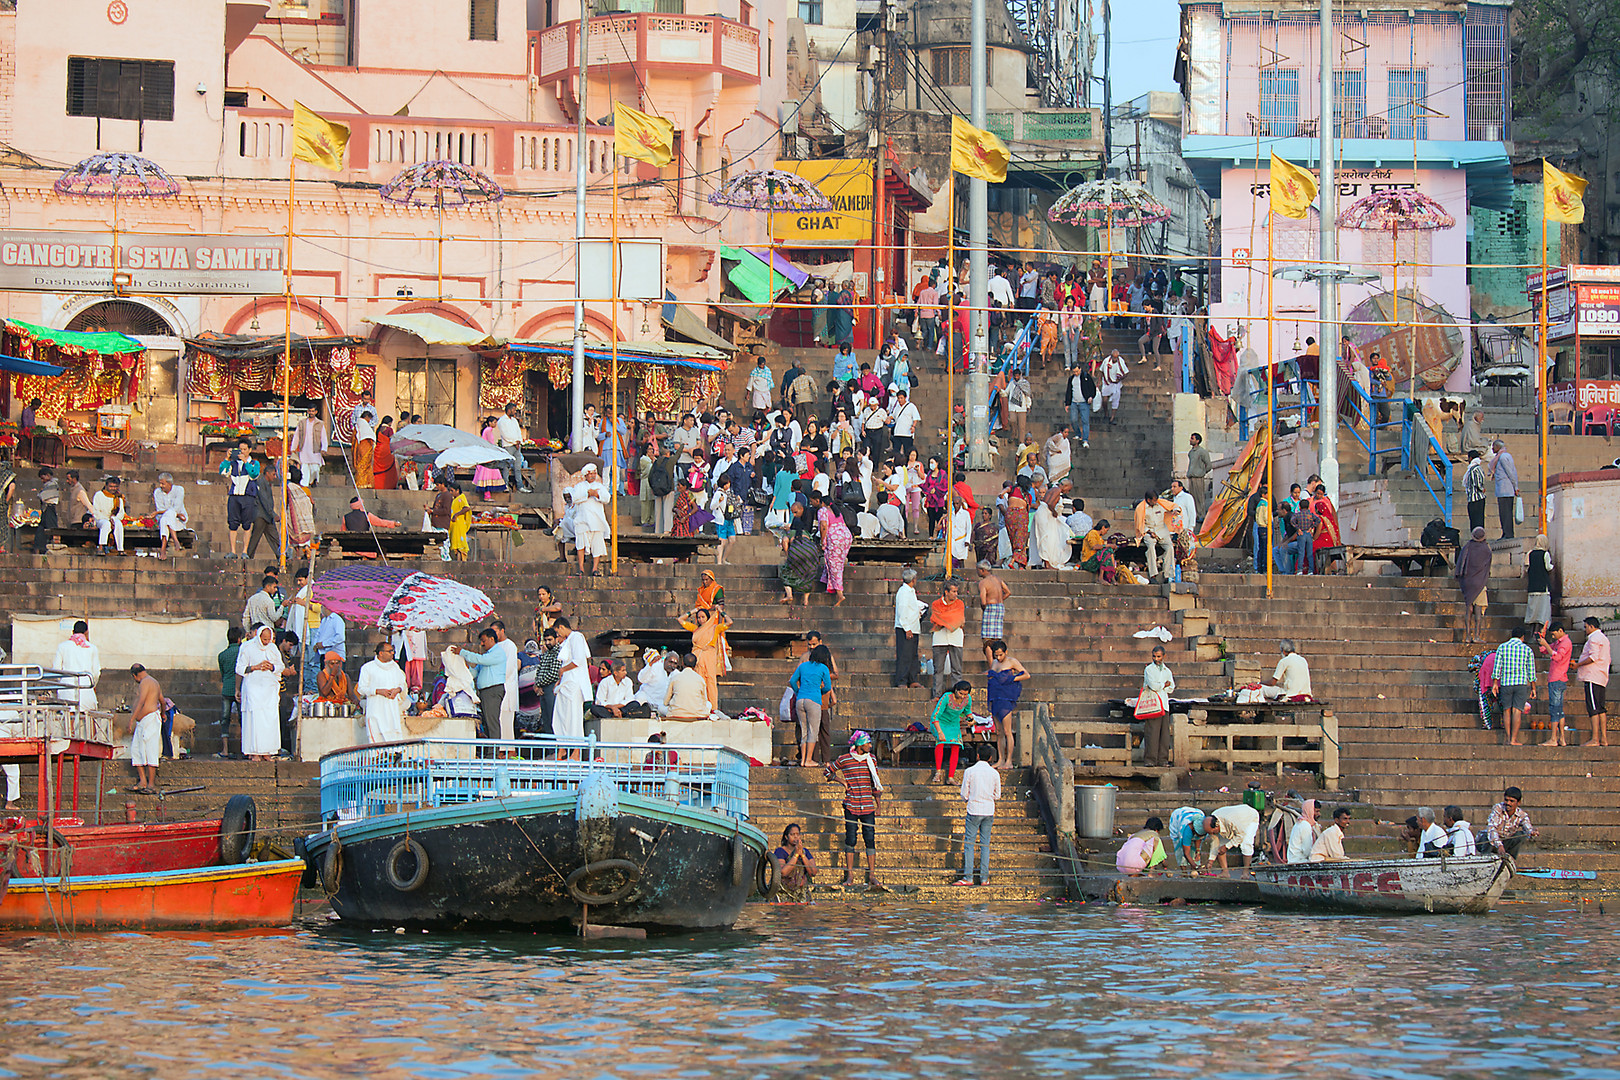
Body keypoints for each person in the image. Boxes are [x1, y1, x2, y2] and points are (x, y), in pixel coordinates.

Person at [827, 730, 883, 888]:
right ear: (860, 745)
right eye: (868, 743)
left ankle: (872, 874)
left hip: (867, 805)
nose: (870, 746)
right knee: (851, 839)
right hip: (851, 804)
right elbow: (827, 772)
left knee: (870, 839)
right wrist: (842, 782)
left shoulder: (871, 759)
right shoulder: (844, 759)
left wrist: (878, 805)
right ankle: (850, 874)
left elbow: (875, 782)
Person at [954, 742, 1002, 886]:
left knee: (969, 844)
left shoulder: (970, 771)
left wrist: (969, 798)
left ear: (978, 756)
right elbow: (997, 795)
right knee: (985, 844)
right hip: (988, 810)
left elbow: (964, 793)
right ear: (991, 758)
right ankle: (984, 878)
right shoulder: (994, 773)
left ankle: (968, 877)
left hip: (973, 809)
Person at [235, 625, 283, 762]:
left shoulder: (273, 648)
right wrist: (255, 667)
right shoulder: (247, 647)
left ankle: (267, 751)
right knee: (255, 720)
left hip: (269, 688)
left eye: (269, 639)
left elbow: (281, 666)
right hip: (253, 687)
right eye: (264, 639)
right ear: (259, 636)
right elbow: (239, 668)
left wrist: (271, 667)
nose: (267, 642)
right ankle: (254, 752)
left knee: (270, 719)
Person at [454, 629, 509, 739]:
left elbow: (480, 659)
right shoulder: (487, 655)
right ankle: (489, 751)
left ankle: (493, 753)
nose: (482, 644)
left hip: (493, 690)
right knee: (487, 723)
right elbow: (474, 672)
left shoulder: (497, 652)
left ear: (491, 639)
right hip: (485, 692)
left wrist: (462, 652)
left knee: (492, 723)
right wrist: (464, 666)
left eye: (483, 641)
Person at [679, 605, 730, 715]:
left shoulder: (715, 628)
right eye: (699, 617)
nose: (701, 619)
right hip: (697, 658)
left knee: (710, 682)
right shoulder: (695, 629)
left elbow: (730, 622)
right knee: (697, 681)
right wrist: (694, 610)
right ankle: (697, 707)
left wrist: (721, 611)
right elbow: (680, 620)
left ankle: (713, 709)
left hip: (709, 658)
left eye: (703, 617)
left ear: (708, 618)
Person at [550, 616, 592, 747]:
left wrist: (563, 669)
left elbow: (578, 660)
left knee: (574, 719)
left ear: (561, 627)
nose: (558, 635)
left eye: (557, 632)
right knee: (560, 717)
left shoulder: (576, 637)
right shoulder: (568, 641)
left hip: (574, 684)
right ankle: (562, 748)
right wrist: (560, 679)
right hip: (566, 683)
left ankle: (576, 751)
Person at [985, 640, 1028, 769]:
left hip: (1006, 698)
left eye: (1000, 655)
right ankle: (1000, 759)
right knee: (998, 732)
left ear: (1006, 652)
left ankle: (1009, 761)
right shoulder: (994, 663)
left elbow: (1026, 675)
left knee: (1007, 731)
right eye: (996, 655)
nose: (998, 657)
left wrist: (1011, 679)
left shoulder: (1012, 661)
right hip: (995, 698)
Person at [1492, 626, 1536, 747]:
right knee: (1517, 711)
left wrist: (1495, 683)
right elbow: (1531, 671)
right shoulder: (1527, 650)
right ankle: (1514, 739)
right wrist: (1533, 687)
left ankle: (1507, 738)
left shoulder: (1502, 647)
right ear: (1522, 637)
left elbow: (1497, 668)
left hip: (1506, 683)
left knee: (1506, 711)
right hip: (1521, 683)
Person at [357, 640, 408, 745]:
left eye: (393, 651)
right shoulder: (368, 668)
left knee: (394, 737)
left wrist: (397, 690)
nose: (393, 653)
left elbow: (402, 683)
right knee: (376, 737)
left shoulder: (395, 667)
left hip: (392, 710)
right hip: (376, 709)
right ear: (381, 653)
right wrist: (378, 691)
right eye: (390, 651)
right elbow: (361, 689)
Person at [789, 647, 833, 767]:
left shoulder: (803, 666)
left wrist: (798, 692)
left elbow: (792, 681)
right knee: (812, 731)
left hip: (800, 700)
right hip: (813, 701)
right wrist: (819, 692)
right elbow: (828, 687)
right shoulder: (824, 668)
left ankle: (803, 760)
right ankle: (809, 760)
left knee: (804, 731)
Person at [926, 679, 973, 784]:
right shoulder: (947, 697)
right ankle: (938, 772)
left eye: (965, 694)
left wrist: (971, 719)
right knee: (940, 743)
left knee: (956, 745)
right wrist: (939, 732)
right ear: (956, 690)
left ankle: (951, 777)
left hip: (954, 724)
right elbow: (935, 716)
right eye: (961, 693)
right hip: (940, 723)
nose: (962, 696)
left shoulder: (967, 699)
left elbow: (967, 711)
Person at [127, 664, 165, 793]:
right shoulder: (155, 682)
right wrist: (164, 713)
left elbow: (141, 701)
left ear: (134, 675)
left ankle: (151, 784)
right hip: (144, 721)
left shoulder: (145, 682)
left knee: (150, 750)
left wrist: (132, 719)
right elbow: (162, 701)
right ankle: (143, 781)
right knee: (136, 750)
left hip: (150, 720)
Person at [219, 439, 259, 557]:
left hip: (248, 496)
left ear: (250, 450)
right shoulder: (233, 463)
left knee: (247, 524)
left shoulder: (254, 463)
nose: (242, 451)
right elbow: (223, 472)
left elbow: (254, 475)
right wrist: (227, 458)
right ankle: (233, 551)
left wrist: (245, 461)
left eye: (245, 449)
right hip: (234, 496)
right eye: (240, 449)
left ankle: (245, 551)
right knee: (232, 524)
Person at [51, 620, 101, 710]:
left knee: (69, 717)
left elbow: (56, 669)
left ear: (72, 632)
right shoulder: (92, 648)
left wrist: (62, 682)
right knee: (89, 717)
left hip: (67, 688)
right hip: (86, 688)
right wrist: (92, 684)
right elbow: (96, 673)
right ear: (86, 632)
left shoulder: (62, 646)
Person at [888, 566, 924, 690]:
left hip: (914, 627)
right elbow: (902, 611)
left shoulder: (911, 591)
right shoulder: (903, 592)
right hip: (905, 628)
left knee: (913, 655)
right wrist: (907, 628)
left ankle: (912, 679)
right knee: (904, 655)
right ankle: (902, 680)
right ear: (913, 579)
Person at [1537, 621, 1573, 747]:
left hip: (1558, 679)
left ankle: (1553, 738)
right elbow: (1544, 650)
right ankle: (1561, 738)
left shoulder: (1565, 643)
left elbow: (1557, 657)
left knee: (1555, 709)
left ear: (1560, 631)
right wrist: (1541, 639)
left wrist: (1546, 644)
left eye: (1554, 634)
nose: (1553, 637)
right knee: (1559, 710)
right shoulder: (1558, 643)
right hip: (1556, 678)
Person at [1139, 644, 1176, 766]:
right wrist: (1162, 685)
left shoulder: (1167, 671)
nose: (1156, 659)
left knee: (1164, 735)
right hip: (1153, 705)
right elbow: (1153, 686)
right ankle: (1150, 760)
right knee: (1152, 734)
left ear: (1164, 656)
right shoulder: (1149, 669)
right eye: (1154, 656)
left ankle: (1163, 760)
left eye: (1159, 656)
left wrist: (1163, 686)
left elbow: (1171, 687)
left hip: (1164, 705)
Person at [571, 463, 610, 576]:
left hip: (597, 521)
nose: (592, 476)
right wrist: (587, 494)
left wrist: (597, 495)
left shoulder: (600, 486)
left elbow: (607, 498)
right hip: (582, 520)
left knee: (597, 545)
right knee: (581, 545)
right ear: (585, 475)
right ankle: (581, 568)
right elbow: (575, 498)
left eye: (594, 473)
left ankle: (595, 569)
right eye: (590, 474)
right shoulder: (579, 487)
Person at [1577, 616, 1611, 747]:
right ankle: (1603, 738)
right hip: (1601, 676)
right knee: (1601, 708)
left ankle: (1595, 739)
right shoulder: (1604, 638)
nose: (1585, 630)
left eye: (1586, 627)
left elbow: (1593, 657)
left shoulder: (1594, 638)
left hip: (1592, 676)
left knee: (1594, 708)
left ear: (1591, 626)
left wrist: (1579, 664)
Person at [1455, 526, 1492, 644]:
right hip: (1480, 582)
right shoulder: (1486, 549)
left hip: (1468, 582)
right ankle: (1476, 636)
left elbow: (1460, 563)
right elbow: (1488, 568)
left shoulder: (1467, 547)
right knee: (1478, 611)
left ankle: (1467, 636)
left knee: (1468, 609)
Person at [816, 495, 853, 607]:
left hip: (834, 538)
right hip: (845, 536)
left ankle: (840, 594)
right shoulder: (837, 511)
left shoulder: (822, 510)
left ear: (822, 503)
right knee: (833, 562)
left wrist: (822, 541)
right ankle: (829, 587)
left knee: (834, 565)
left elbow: (823, 526)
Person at [930, 581, 966, 697]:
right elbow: (936, 617)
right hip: (939, 638)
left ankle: (957, 695)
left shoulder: (960, 604)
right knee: (938, 669)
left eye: (957, 592)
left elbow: (958, 619)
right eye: (954, 592)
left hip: (956, 638)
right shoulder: (936, 604)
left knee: (956, 669)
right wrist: (949, 618)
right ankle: (937, 695)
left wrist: (943, 618)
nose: (956, 594)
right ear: (946, 592)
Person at [1134, 488, 1178, 583]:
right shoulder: (1140, 508)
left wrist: (1175, 511)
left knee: (1170, 547)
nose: (1156, 502)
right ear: (1148, 500)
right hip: (1148, 532)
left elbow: (1174, 506)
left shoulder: (1161, 502)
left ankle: (1168, 575)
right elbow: (1140, 525)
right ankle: (1153, 575)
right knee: (1151, 547)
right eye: (1154, 500)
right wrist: (1149, 532)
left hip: (1161, 530)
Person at [1202, 802, 1261, 872]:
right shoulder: (1213, 818)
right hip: (1235, 823)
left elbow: (1241, 835)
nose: (1212, 834)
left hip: (1250, 818)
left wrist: (1227, 846)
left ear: (1217, 826)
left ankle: (1246, 872)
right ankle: (1225, 872)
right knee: (1220, 847)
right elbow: (1215, 842)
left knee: (1246, 844)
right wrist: (1211, 860)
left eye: (1213, 832)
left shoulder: (1230, 820)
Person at [1485, 786, 1537, 858]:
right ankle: (1486, 859)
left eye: (1511, 801)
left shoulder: (1521, 815)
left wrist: (1532, 832)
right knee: (1488, 837)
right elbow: (1492, 828)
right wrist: (1499, 845)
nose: (1508, 803)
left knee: (1519, 835)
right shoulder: (1498, 808)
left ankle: (1510, 859)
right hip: (1492, 843)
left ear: (1518, 803)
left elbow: (1528, 827)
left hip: (1506, 842)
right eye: (1506, 800)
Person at [588, 660, 636, 737]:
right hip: (608, 710)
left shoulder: (628, 681)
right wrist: (612, 708)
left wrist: (617, 708)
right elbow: (599, 701)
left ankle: (620, 714)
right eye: (623, 671)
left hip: (622, 709)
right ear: (616, 673)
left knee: (635, 704)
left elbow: (629, 699)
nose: (625, 673)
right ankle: (613, 716)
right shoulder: (605, 682)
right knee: (594, 708)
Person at [772, 822, 818, 902]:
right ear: (786, 837)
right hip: (783, 893)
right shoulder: (780, 851)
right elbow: (783, 872)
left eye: (797, 834)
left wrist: (802, 855)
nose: (795, 837)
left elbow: (813, 872)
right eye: (792, 834)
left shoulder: (805, 852)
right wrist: (796, 855)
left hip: (801, 893)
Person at [150, 473, 188, 561]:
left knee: (168, 515)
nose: (160, 486)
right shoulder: (157, 492)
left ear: (169, 483)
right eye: (160, 483)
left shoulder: (179, 490)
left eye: (163, 484)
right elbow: (160, 508)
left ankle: (163, 549)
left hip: (178, 521)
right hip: (164, 518)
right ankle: (175, 540)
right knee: (165, 518)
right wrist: (160, 512)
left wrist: (157, 512)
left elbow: (176, 508)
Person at [665, 652, 712, 720]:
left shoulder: (675, 677)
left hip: (676, 713)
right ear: (695, 665)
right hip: (697, 714)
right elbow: (704, 701)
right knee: (709, 704)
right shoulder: (700, 679)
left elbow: (665, 702)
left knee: (661, 707)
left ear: (682, 663)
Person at [497, 402, 531, 492]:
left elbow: (518, 432)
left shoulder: (514, 421)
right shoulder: (502, 421)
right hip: (508, 446)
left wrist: (518, 441)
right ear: (509, 410)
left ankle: (520, 486)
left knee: (518, 466)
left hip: (517, 447)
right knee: (506, 467)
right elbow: (505, 435)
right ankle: (505, 485)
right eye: (514, 410)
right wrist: (514, 441)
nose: (515, 412)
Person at [292, 405, 329, 488]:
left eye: (313, 411)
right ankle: (305, 485)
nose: (311, 413)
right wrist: (293, 448)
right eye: (310, 411)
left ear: (316, 412)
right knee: (304, 467)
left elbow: (323, 437)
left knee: (315, 468)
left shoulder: (320, 423)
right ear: (307, 411)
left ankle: (313, 481)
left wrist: (324, 448)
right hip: (304, 449)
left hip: (315, 449)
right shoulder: (302, 423)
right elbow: (297, 436)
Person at [217, 626, 243, 745]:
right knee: (243, 719)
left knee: (225, 719)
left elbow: (223, 673)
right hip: (240, 689)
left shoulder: (222, 655)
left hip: (226, 688)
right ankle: (245, 748)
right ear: (239, 639)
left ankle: (225, 749)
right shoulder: (242, 652)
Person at [1489, 439, 1519, 539]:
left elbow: (1511, 473)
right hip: (1503, 491)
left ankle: (1508, 534)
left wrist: (1516, 487)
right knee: (1503, 514)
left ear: (1498, 447)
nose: (1492, 448)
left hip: (1506, 490)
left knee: (1506, 514)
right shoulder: (1501, 457)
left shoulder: (1503, 457)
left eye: (1494, 446)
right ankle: (1506, 533)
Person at [90, 476, 126, 556]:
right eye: (111, 486)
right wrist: (108, 520)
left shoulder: (118, 497)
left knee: (119, 524)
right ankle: (101, 547)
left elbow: (121, 513)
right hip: (101, 519)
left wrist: (113, 519)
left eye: (115, 487)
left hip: (113, 519)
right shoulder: (99, 495)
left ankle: (120, 549)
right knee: (106, 524)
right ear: (106, 486)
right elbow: (96, 511)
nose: (113, 489)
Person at [635, 650, 677, 717]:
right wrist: (650, 665)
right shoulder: (655, 666)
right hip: (646, 700)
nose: (672, 665)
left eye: (675, 663)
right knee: (638, 701)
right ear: (665, 660)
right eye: (670, 662)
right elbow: (641, 679)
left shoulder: (676, 674)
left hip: (661, 705)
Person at [977, 561, 1011, 645]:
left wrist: (984, 608)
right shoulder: (997, 578)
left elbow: (983, 601)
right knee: (997, 636)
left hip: (990, 607)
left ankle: (990, 658)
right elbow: (1008, 592)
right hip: (1000, 607)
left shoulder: (983, 583)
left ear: (982, 570)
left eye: (978, 570)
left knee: (987, 639)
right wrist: (1000, 600)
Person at [1524, 535, 1553, 628]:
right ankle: (1540, 630)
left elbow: (1526, 568)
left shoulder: (1530, 553)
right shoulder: (1545, 554)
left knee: (1533, 609)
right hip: (1543, 586)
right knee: (1542, 610)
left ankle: (1532, 629)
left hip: (1532, 586)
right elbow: (1548, 567)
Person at [1167, 806, 1207, 870]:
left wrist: (1198, 852)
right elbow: (1186, 853)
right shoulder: (1186, 830)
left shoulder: (1203, 824)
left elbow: (1198, 839)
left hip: (1191, 814)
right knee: (1179, 849)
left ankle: (1193, 870)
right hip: (1177, 819)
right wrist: (1195, 866)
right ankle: (1184, 871)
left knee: (1194, 851)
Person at [1186, 433, 1212, 511]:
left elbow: (1209, 465)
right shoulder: (1191, 452)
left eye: (1192, 438)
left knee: (1199, 498)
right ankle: (1195, 515)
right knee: (1192, 498)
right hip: (1191, 477)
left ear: (1197, 441)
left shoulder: (1202, 452)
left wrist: (1201, 473)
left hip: (1198, 477)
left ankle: (1201, 514)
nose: (1190, 440)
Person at [1463, 450, 1487, 533]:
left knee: (1476, 521)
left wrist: (1481, 488)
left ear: (1471, 458)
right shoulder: (1478, 468)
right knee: (1478, 520)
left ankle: (1477, 538)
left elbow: (1477, 483)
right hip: (1476, 499)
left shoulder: (1474, 469)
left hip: (1475, 499)